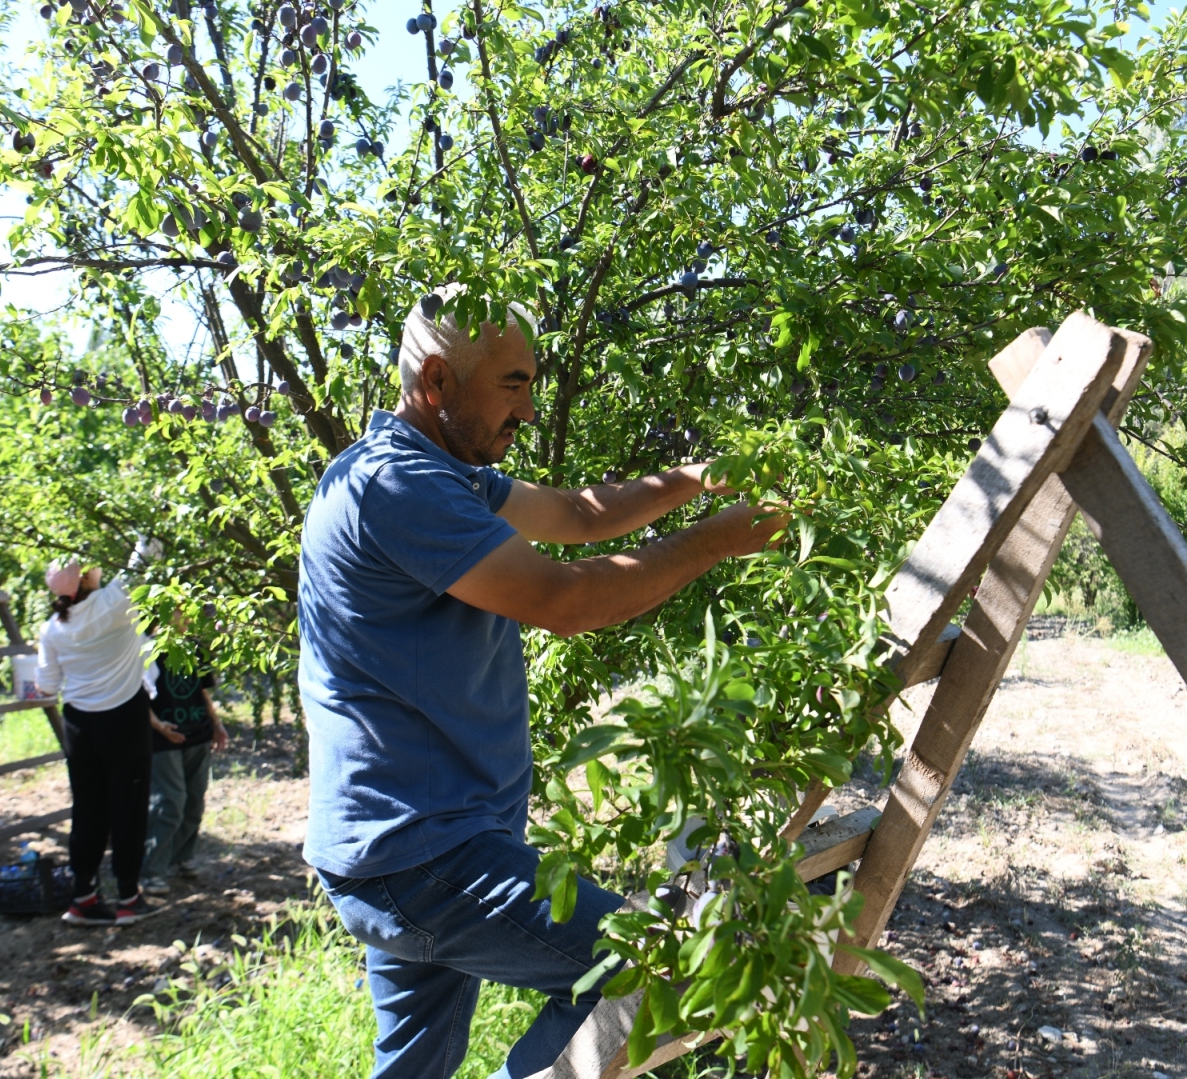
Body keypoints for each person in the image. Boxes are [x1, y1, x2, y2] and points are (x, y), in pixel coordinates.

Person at [299, 286, 784, 1079]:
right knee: (639, 966)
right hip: (423, 851)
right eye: (513, 384)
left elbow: (582, 514)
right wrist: (718, 541)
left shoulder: (438, 471)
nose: (528, 409)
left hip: (409, 842)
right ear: (437, 383)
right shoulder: (397, 485)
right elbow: (567, 599)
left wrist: (699, 476)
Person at [36, 558, 161, 927]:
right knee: (129, 808)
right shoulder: (115, 601)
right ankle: (128, 897)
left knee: (88, 810)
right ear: (88, 579)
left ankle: (84, 897)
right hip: (123, 719)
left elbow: (46, 685)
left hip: (78, 726)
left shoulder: (51, 627)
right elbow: (144, 556)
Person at [139, 638, 227, 895]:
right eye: (179, 608)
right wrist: (158, 725)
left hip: (197, 734)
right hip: (163, 739)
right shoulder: (145, 649)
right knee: (170, 803)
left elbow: (201, 689)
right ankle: (150, 870)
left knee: (194, 802)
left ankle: (181, 857)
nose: (187, 615)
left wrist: (216, 724)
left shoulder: (194, 647)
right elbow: (135, 694)